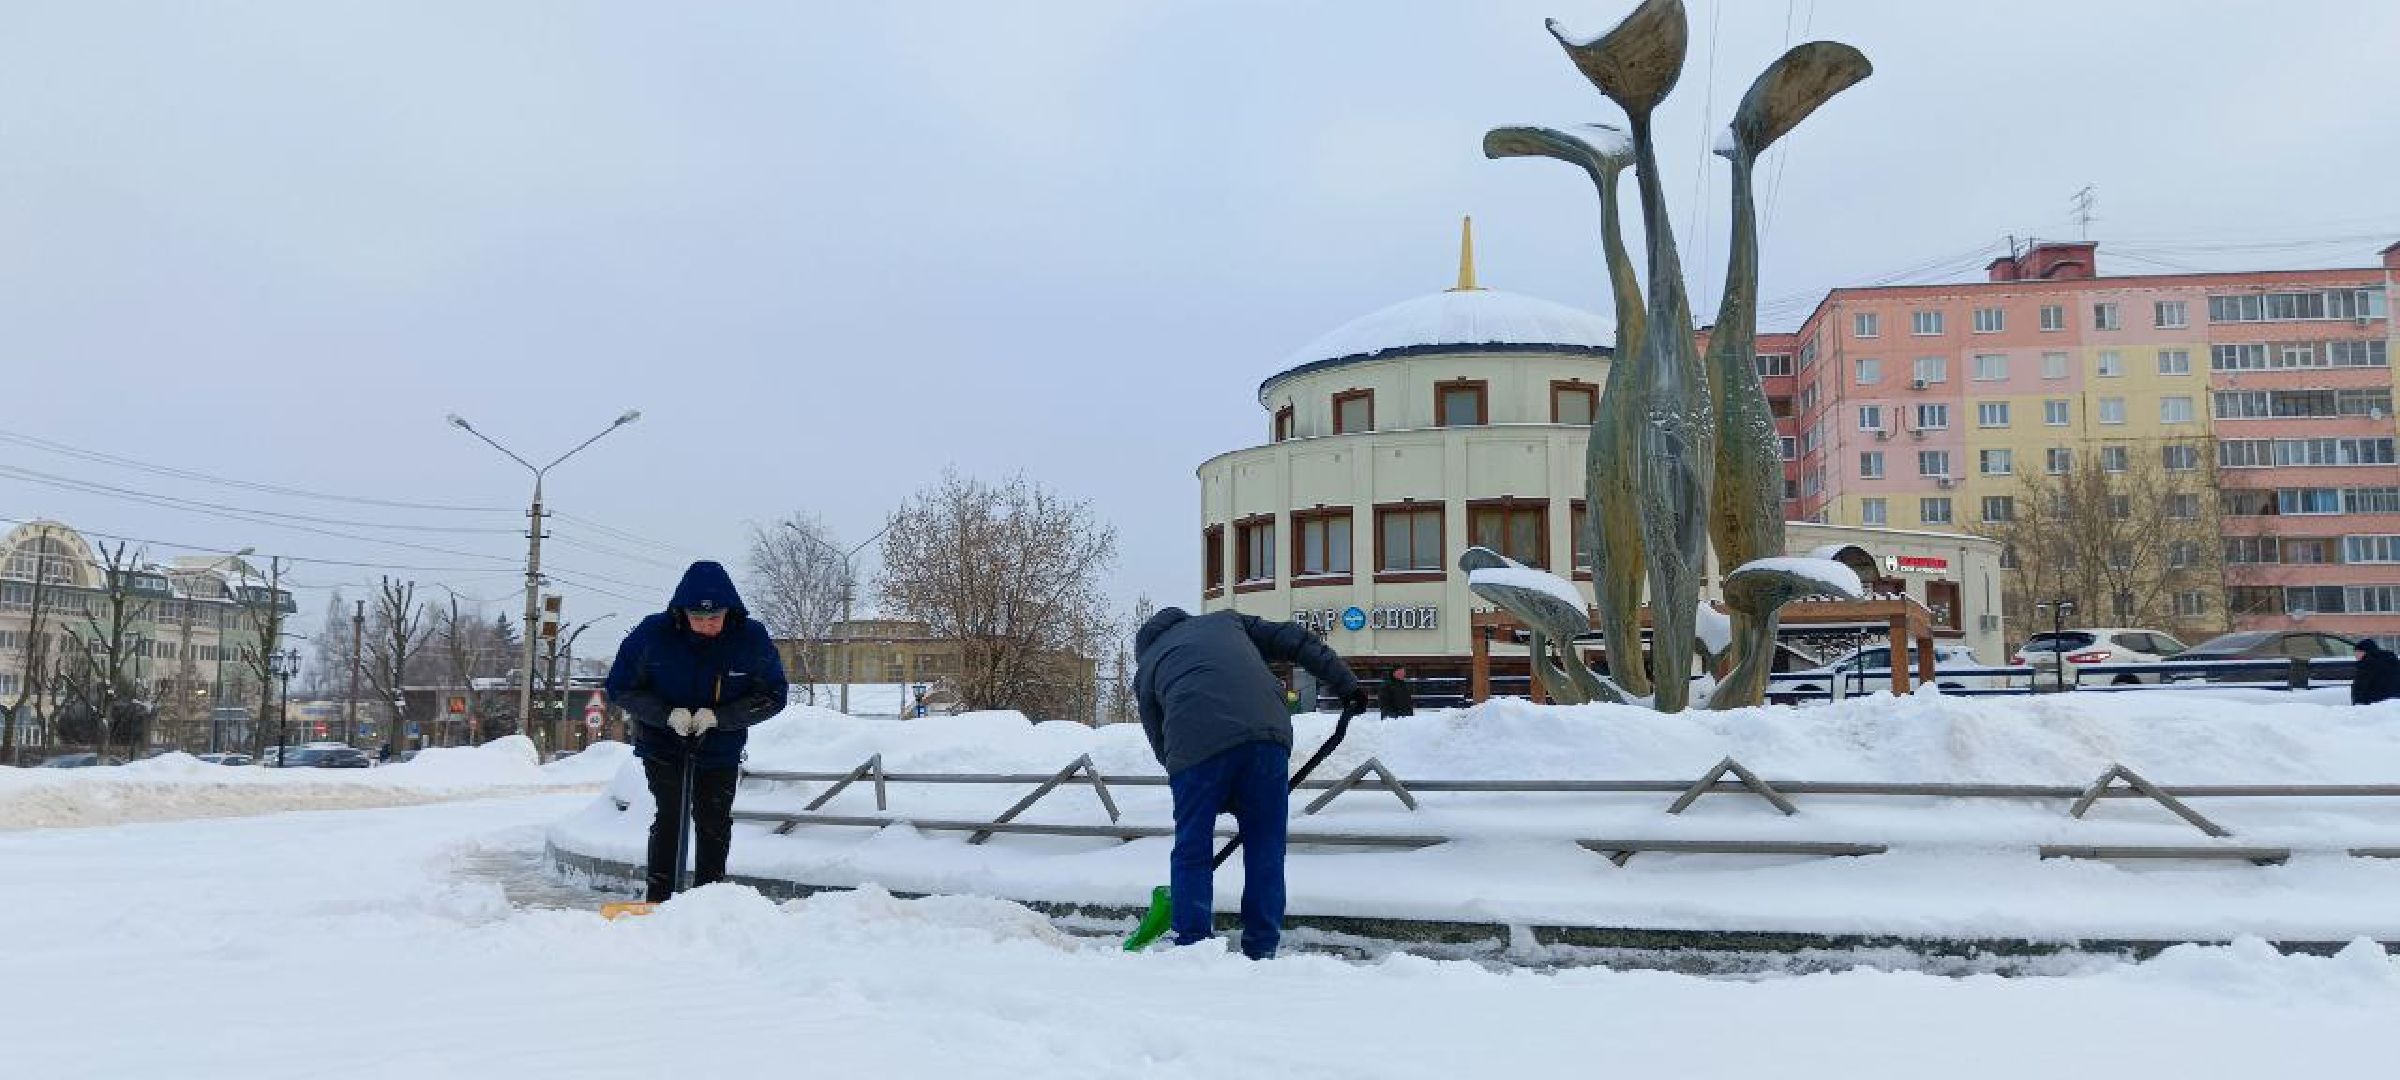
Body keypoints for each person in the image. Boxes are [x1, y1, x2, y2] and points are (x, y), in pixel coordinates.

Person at [1134, 607, 1366, 960]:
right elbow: (1293, 639)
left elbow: (1159, 741)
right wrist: (1344, 682)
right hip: (1267, 740)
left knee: (1192, 850)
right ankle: (1261, 948)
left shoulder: (1148, 664)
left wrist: (1200, 784)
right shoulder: (1228, 621)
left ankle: (1193, 945)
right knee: (1266, 849)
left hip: (1195, 750)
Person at [605, 560, 789, 902]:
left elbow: (773, 695)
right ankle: (659, 899)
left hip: (720, 747)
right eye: (698, 618)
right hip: (662, 744)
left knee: (714, 822)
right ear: (681, 613)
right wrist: (665, 715)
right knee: (671, 815)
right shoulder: (652, 634)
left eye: (714, 618)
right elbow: (620, 687)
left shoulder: (750, 639)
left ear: (729, 613)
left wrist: (720, 718)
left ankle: (709, 900)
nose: (706, 626)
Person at [2352, 638, 2399, 705]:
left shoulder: (2366, 664)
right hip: (2395, 702)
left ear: (2364, 651)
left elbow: (2360, 686)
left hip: (2375, 704)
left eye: (2357, 652)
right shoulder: (2392, 660)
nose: (2355, 656)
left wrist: (2357, 704)